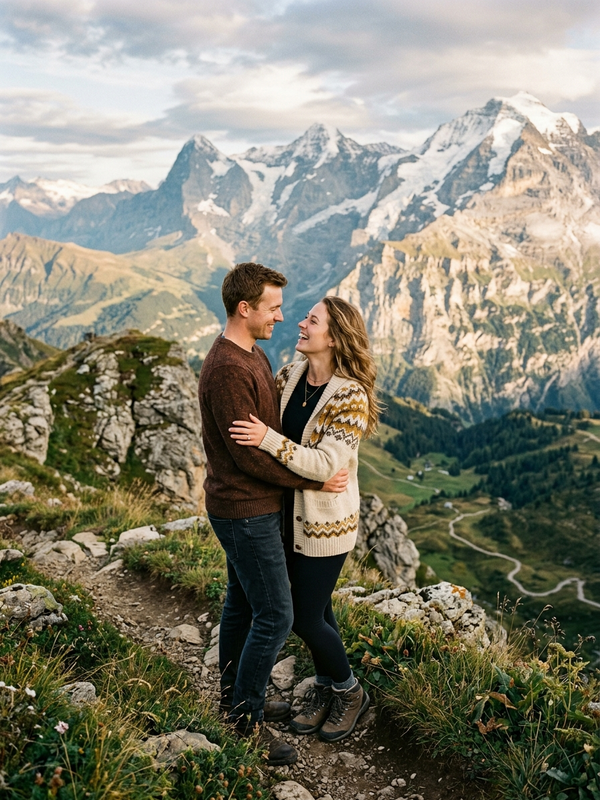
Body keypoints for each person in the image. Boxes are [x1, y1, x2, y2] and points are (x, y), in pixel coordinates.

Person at [197, 263, 349, 766]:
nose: (283, 318)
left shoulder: (254, 355)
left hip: (257, 508)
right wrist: (313, 479)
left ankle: (234, 700)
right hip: (244, 510)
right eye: (275, 308)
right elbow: (249, 456)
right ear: (246, 309)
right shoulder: (229, 370)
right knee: (278, 614)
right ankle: (245, 720)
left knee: (242, 605)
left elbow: (273, 434)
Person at [229, 295, 380, 742]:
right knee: (320, 611)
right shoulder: (290, 375)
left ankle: (350, 692)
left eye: (311, 320)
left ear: (333, 337)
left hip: (325, 526)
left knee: (303, 617)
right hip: (286, 517)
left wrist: (269, 441)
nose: (300, 323)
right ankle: (325, 685)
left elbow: (326, 465)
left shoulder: (350, 395)